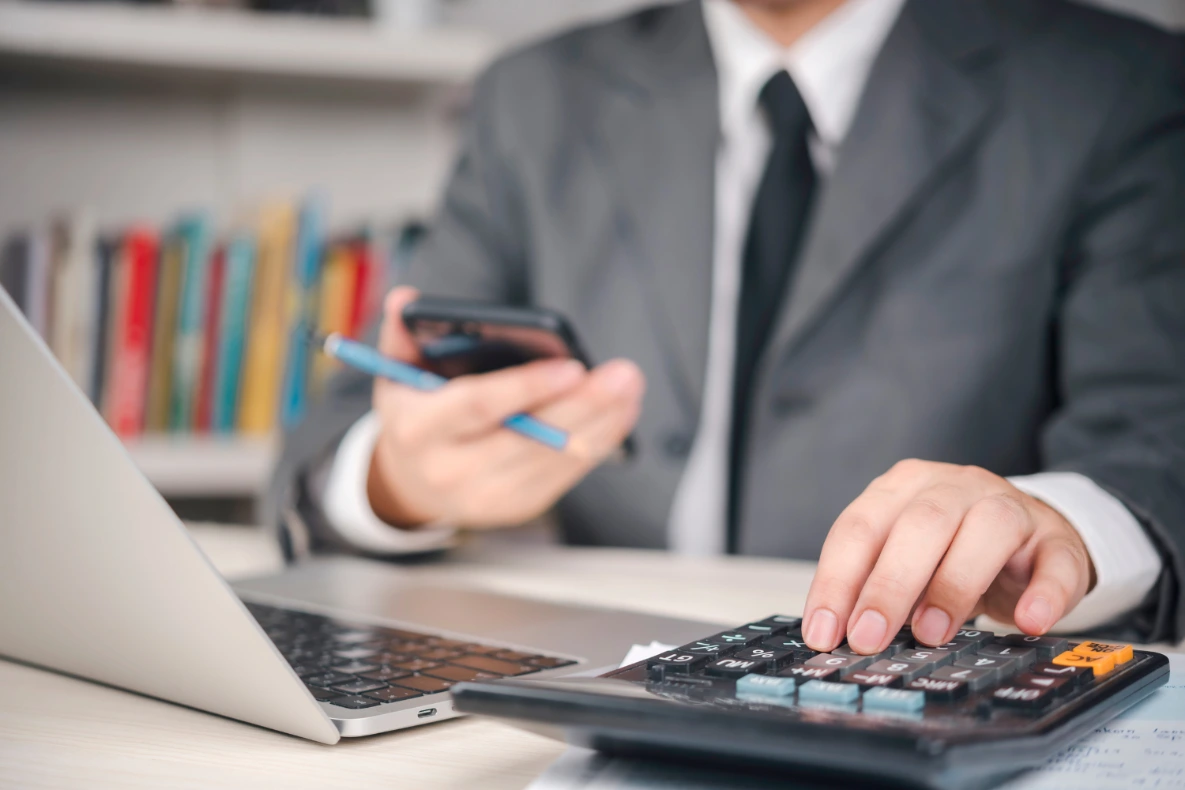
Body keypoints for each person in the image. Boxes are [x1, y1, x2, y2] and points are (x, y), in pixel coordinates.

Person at [270, 0, 1185, 653]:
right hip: (584, 679)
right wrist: (401, 480)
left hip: (913, 683)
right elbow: (330, 444)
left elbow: (1158, 441)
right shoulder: (532, 97)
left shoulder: (1115, 85)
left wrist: (1064, 526)